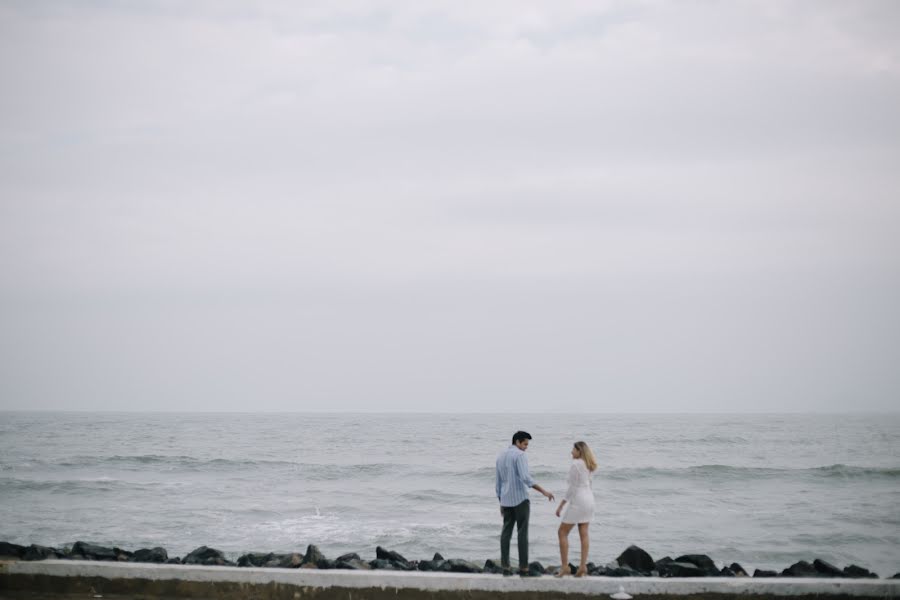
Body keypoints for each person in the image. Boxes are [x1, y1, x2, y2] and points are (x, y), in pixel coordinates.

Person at [495, 430, 555, 576]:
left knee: (506, 533)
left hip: (506, 500)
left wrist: (501, 501)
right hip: (521, 500)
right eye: (525, 444)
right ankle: (523, 568)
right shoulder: (520, 455)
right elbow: (526, 478)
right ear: (517, 442)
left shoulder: (501, 456)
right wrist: (544, 491)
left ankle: (505, 567)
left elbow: (498, 483)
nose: (526, 447)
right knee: (522, 533)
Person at [554, 441, 597, 577]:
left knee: (562, 532)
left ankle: (565, 567)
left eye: (573, 449)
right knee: (584, 533)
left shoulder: (576, 464)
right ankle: (582, 566)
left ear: (579, 451)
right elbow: (588, 484)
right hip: (589, 499)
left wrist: (561, 504)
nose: (571, 451)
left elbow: (572, 488)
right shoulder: (589, 465)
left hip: (578, 500)